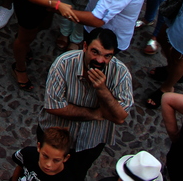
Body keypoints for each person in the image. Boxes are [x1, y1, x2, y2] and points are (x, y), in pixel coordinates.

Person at [36, 28, 132, 181]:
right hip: (54, 139)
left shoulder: (121, 73)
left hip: (89, 143)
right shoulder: (64, 63)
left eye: (107, 56)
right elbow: (54, 106)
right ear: (85, 46)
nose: (100, 60)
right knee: (42, 173)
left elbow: (120, 117)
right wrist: (95, 114)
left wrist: (102, 89)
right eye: (95, 52)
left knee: (75, 176)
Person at [10, 127, 75, 181]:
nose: (48, 164)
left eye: (56, 160)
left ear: (66, 158)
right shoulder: (28, 153)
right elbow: (20, 167)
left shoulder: (66, 178)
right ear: (39, 147)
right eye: (45, 156)